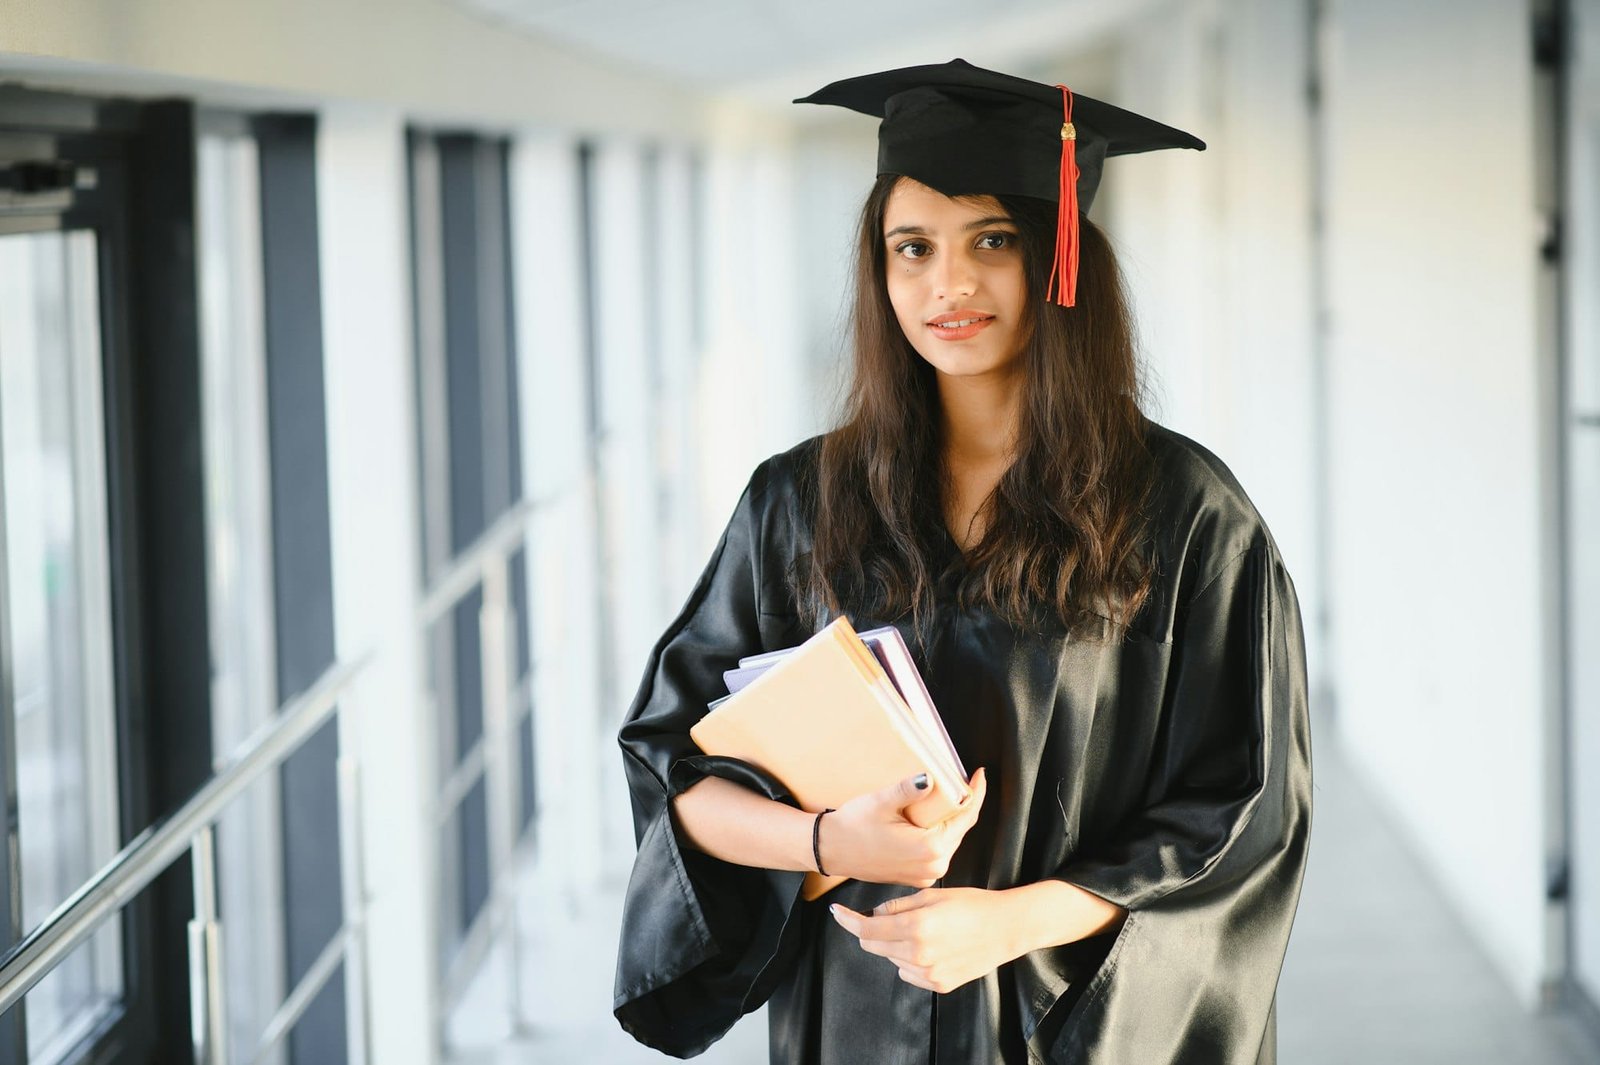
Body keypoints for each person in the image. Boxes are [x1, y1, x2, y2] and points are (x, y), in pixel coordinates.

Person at [613, 58, 1311, 1065]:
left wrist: (1013, 920)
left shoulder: (1184, 512)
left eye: (992, 240)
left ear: (1060, 260)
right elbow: (673, 771)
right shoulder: (795, 504)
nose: (949, 283)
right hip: (854, 1017)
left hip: (1066, 1020)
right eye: (912, 248)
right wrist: (826, 843)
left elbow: (1245, 807)